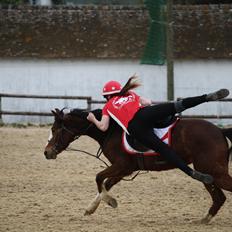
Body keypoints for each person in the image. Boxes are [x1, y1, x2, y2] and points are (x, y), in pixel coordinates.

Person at [87, 76, 230, 184]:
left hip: (135, 127)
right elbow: (147, 102)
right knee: (177, 105)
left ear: (107, 97)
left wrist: (93, 118)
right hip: (145, 113)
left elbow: (103, 127)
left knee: (164, 150)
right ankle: (206, 97)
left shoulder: (107, 106)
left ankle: (191, 173)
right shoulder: (130, 94)